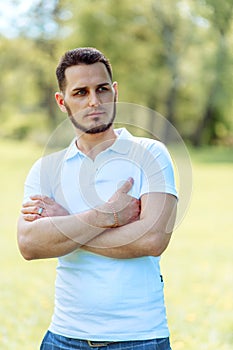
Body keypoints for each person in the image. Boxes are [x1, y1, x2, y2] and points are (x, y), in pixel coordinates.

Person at [17, 47, 178, 350]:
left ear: (114, 92)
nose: (94, 101)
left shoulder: (151, 154)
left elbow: (152, 239)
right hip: (64, 337)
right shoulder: (47, 169)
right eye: (80, 92)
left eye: (101, 89)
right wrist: (106, 216)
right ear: (61, 101)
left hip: (139, 339)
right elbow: (28, 244)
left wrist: (63, 225)